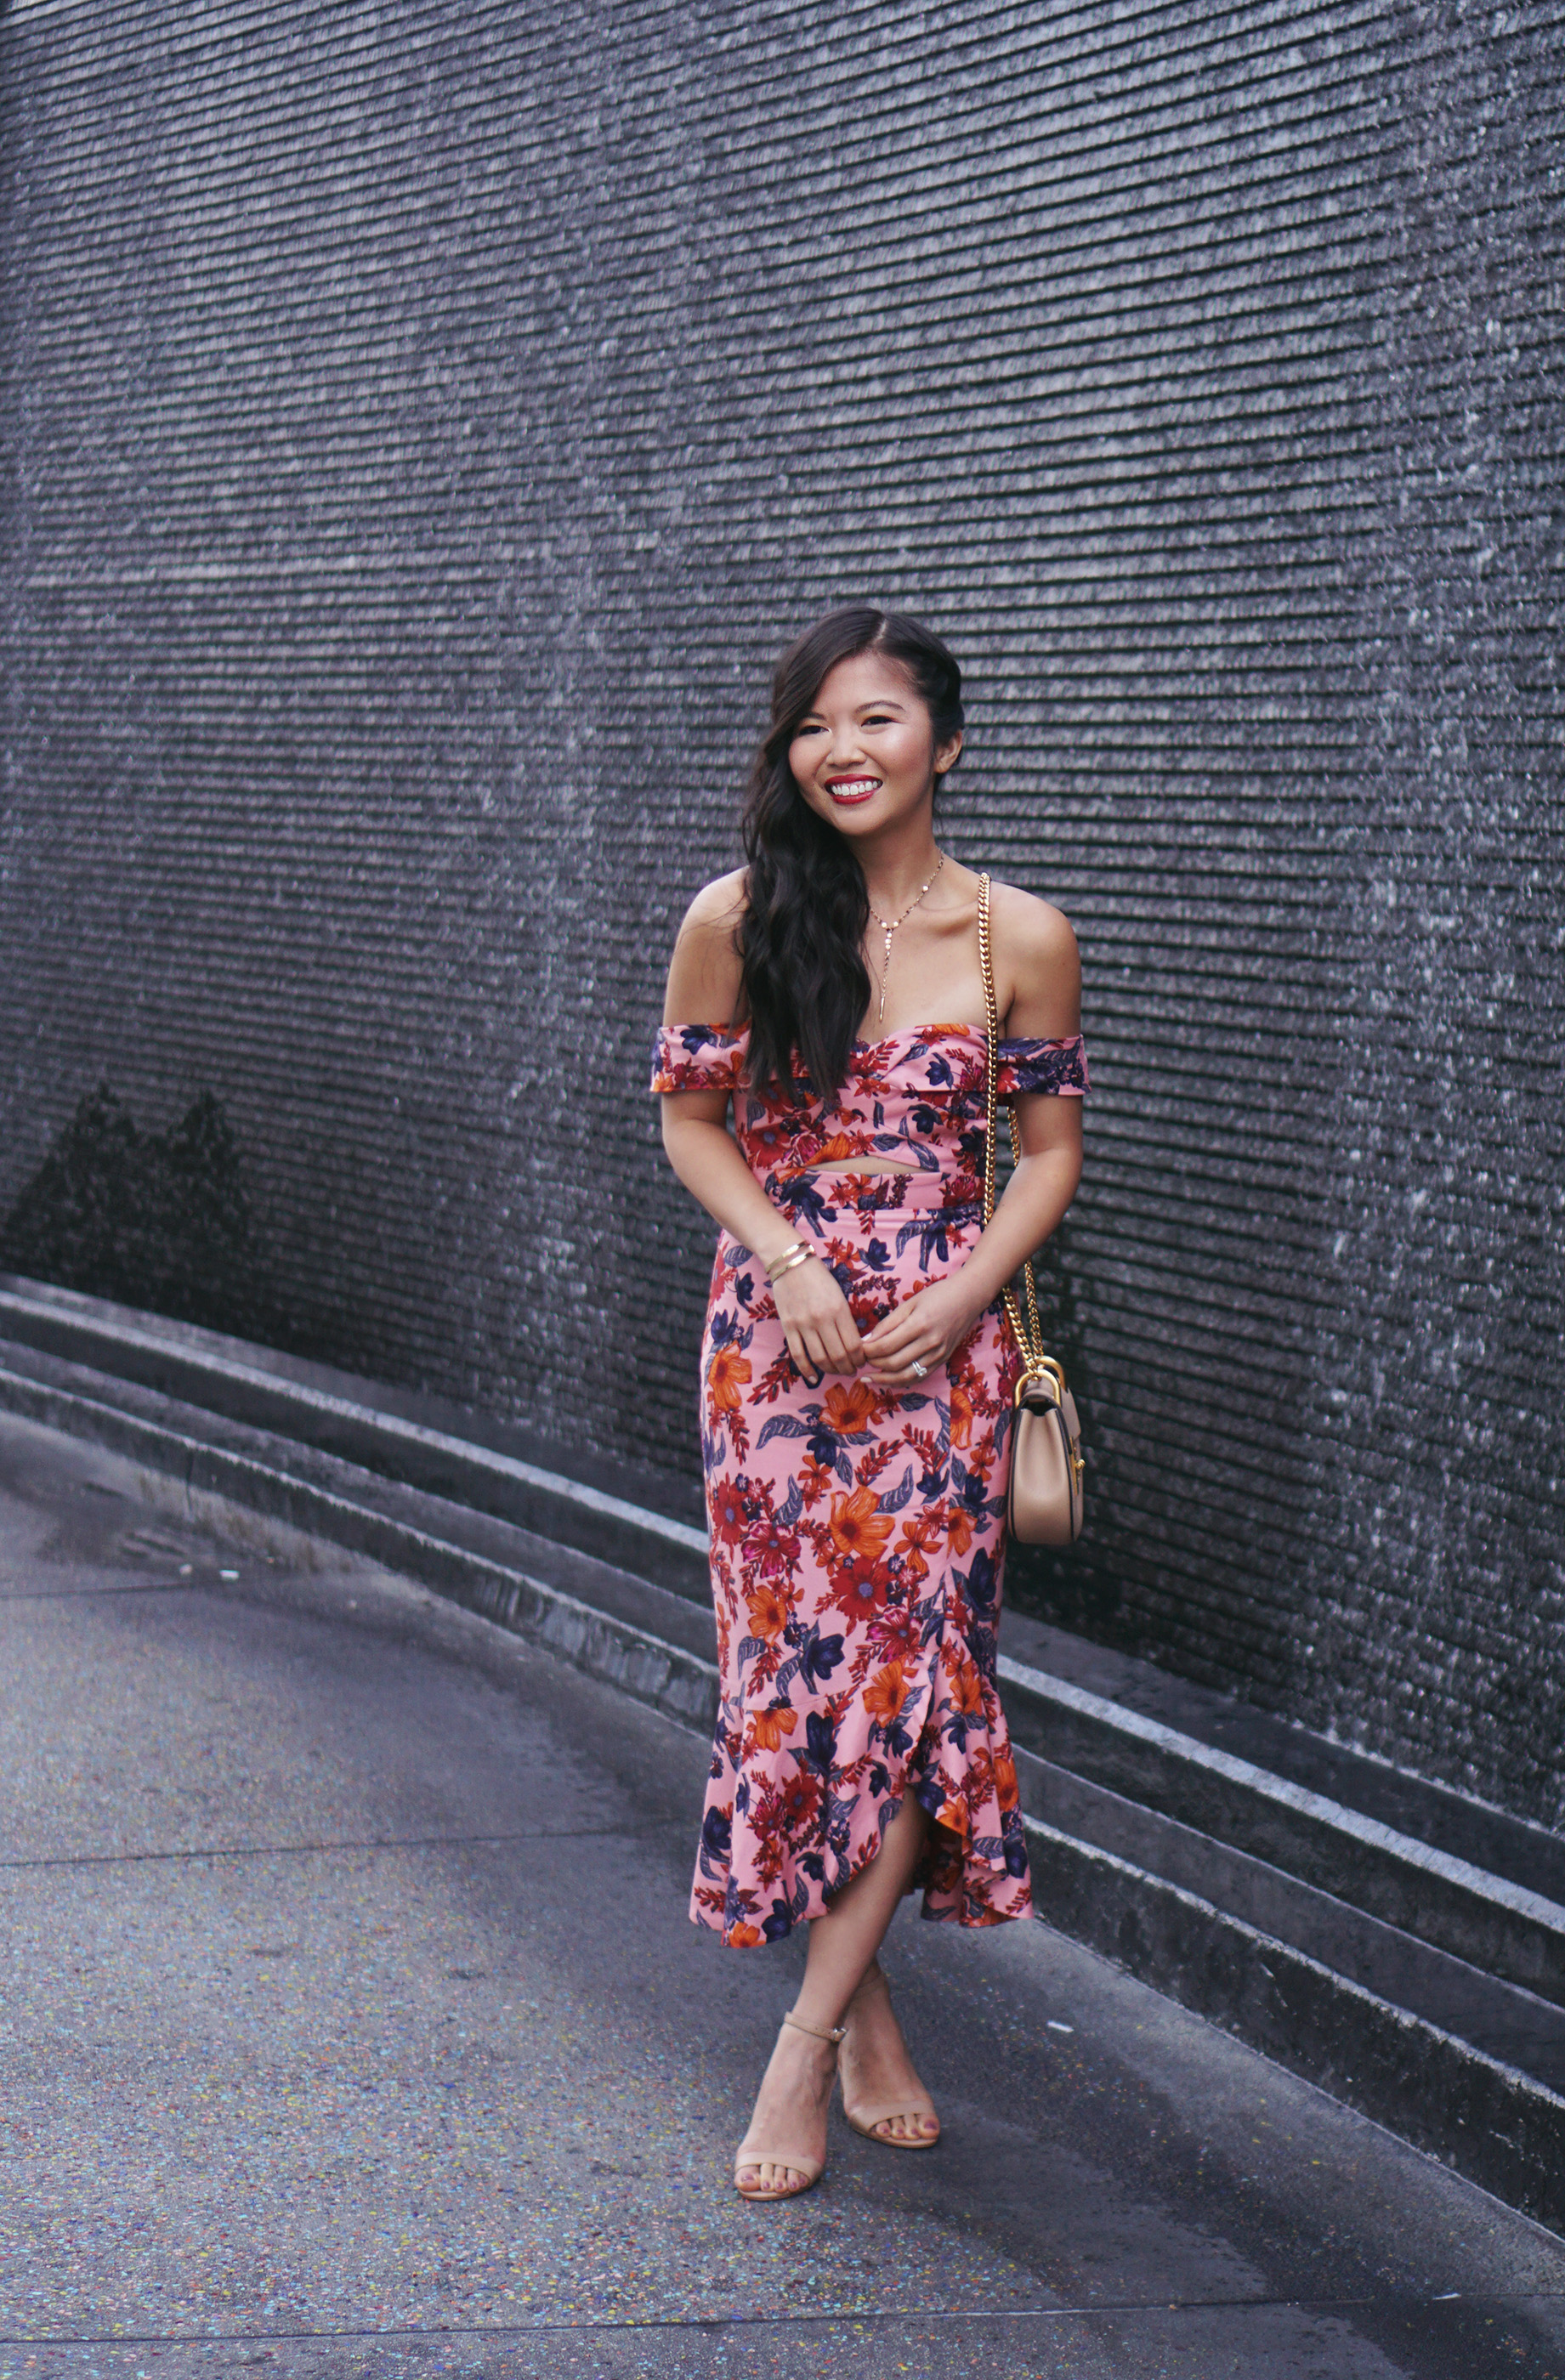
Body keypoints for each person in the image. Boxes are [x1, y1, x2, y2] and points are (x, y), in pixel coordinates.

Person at [651, 604, 1086, 2202]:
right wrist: (787, 1258)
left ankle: (801, 2047)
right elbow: (694, 1124)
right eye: (816, 726)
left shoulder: (1018, 941)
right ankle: (864, 2012)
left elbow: (1048, 1163)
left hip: (940, 1375)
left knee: (911, 1700)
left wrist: (960, 1296)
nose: (843, 751)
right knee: (801, 1695)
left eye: (880, 721)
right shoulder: (736, 917)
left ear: (947, 743)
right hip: (777, 1365)